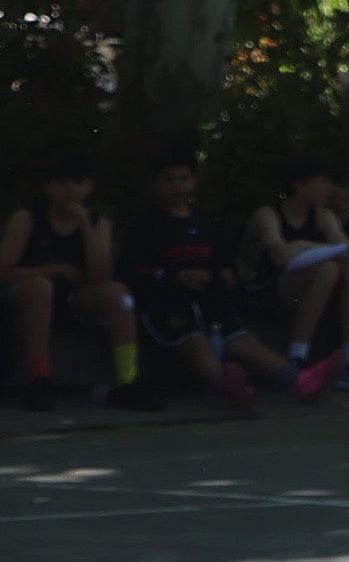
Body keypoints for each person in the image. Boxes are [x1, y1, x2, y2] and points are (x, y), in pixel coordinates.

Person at [119, 155, 290, 405]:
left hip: (210, 304)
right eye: (168, 180)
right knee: (195, 342)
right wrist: (174, 277)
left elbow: (224, 260)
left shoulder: (205, 222)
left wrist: (224, 274)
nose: (177, 186)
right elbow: (129, 271)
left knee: (243, 340)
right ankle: (224, 386)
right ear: (156, 184)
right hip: (166, 307)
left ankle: (297, 378)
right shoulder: (144, 224)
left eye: (183, 179)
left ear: (193, 182)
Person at [0, 161, 138, 406]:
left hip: (77, 299)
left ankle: (128, 381)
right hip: (29, 297)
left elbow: (101, 277)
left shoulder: (98, 223)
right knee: (41, 287)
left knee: (118, 295)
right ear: (48, 187)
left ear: (89, 187)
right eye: (62, 183)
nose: (69, 190)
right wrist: (56, 269)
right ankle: (39, 379)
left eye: (77, 183)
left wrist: (86, 227)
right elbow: (1, 273)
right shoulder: (28, 219)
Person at [239, 162, 349, 388]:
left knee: (346, 268)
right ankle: (298, 354)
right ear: (300, 186)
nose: (330, 189)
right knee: (328, 268)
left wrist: (309, 247)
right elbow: (281, 256)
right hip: (267, 291)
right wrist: (313, 246)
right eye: (323, 182)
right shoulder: (268, 215)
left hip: (311, 287)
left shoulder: (323, 216)